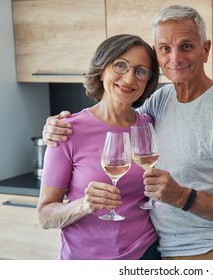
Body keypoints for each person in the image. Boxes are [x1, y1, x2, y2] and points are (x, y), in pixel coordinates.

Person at [42, 5, 213, 260]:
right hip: (159, 251)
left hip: (205, 250)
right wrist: (54, 126)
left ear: (206, 49)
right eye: (165, 48)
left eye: (187, 46)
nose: (175, 58)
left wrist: (181, 196)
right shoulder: (160, 101)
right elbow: (117, 113)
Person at [37, 34, 161, 260]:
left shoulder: (149, 126)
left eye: (141, 71)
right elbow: (44, 215)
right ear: (102, 69)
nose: (129, 78)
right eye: (120, 65)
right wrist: (84, 205)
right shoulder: (66, 130)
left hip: (145, 255)